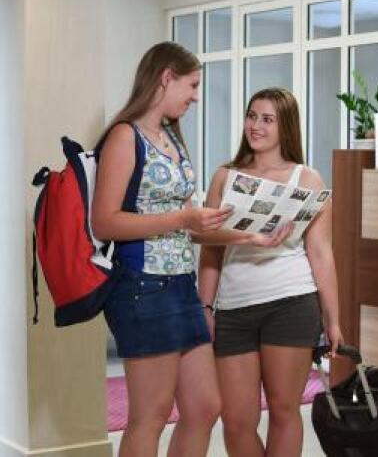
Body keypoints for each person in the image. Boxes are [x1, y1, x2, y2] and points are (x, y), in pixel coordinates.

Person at [92, 42, 289, 457]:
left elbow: (192, 228)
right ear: (167, 77)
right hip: (142, 286)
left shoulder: (170, 138)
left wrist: (248, 237)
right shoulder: (125, 136)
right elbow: (105, 222)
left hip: (181, 286)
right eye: (193, 85)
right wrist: (183, 219)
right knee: (150, 415)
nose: (196, 96)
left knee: (204, 407)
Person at [199, 87, 343, 457]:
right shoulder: (225, 176)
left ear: (286, 126)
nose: (256, 125)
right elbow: (210, 246)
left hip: (292, 303)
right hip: (233, 309)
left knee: (283, 410)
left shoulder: (307, 179)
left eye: (267, 119)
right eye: (252, 116)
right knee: (236, 421)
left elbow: (321, 252)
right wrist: (205, 306)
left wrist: (333, 321)